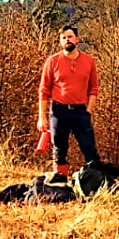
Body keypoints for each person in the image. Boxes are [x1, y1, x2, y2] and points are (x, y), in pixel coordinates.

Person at [36, 25, 100, 178]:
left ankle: (95, 181)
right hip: (58, 111)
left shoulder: (89, 61)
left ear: (77, 39)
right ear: (60, 41)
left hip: (80, 111)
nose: (67, 40)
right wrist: (42, 117)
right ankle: (60, 180)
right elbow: (44, 90)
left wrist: (88, 111)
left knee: (89, 148)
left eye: (70, 37)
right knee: (59, 148)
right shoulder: (52, 61)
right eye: (64, 38)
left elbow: (94, 89)